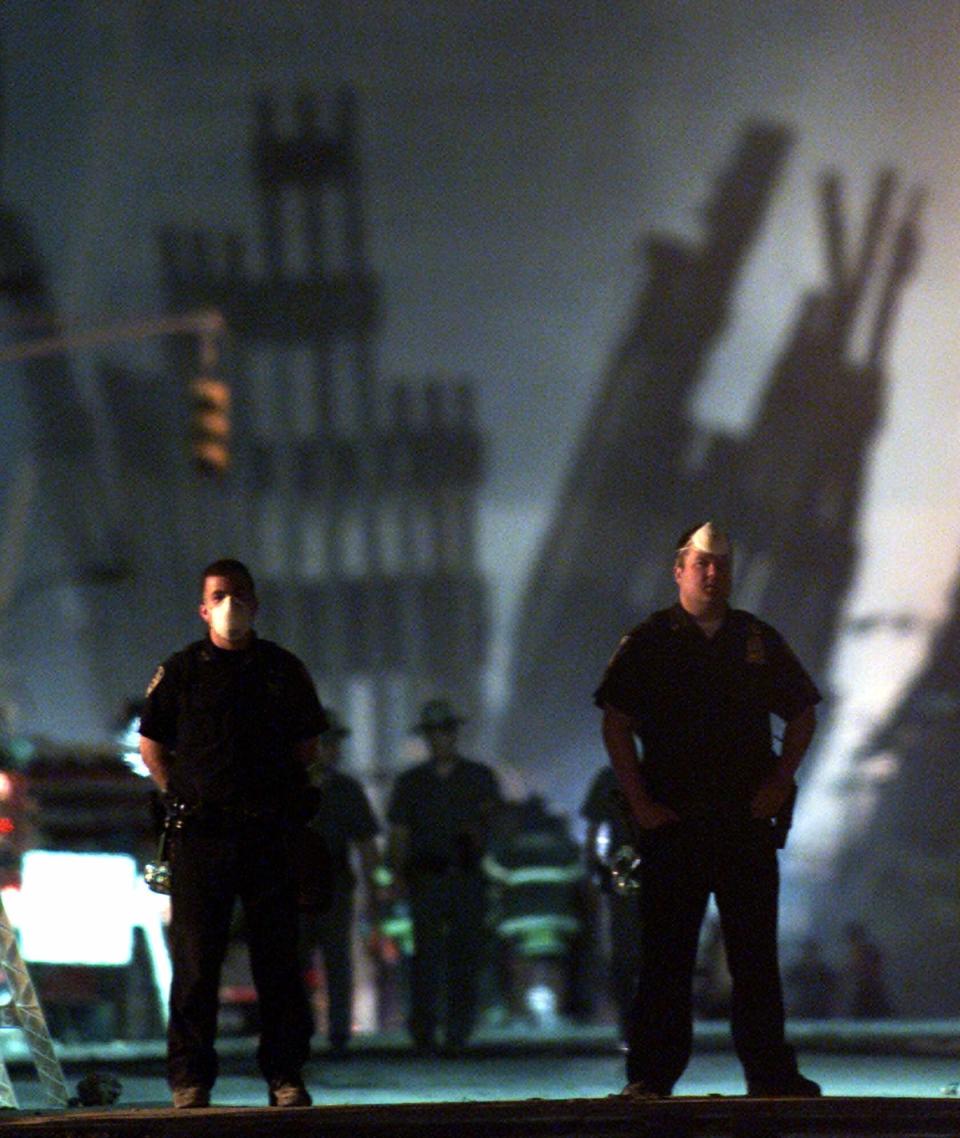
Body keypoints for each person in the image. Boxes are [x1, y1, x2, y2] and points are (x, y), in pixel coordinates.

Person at [595, 522, 822, 1099]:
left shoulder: (757, 639)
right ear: (680, 570)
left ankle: (770, 1074)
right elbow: (615, 723)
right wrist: (642, 804)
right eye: (702, 565)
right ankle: (651, 1075)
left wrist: (779, 781)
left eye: (720, 566)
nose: (713, 574)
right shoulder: (648, 642)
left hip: (743, 821)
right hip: (675, 824)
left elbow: (802, 712)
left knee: (753, 958)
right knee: (666, 958)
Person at [139, 558, 327, 1109]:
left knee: (279, 964)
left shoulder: (283, 670)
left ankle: (285, 1076)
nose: (230, 604)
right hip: (202, 837)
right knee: (196, 965)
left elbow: (307, 746)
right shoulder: (181, 672)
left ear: (256, 602)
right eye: (219, 595)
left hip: (269, 833)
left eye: (239, 593)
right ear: (202, 609)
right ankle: (190, 1080)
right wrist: (182, 794)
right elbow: (152, 744)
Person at [386, 698, 502, 1054]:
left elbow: (494, 823)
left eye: (445, 731)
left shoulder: (479, 777)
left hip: (467, 877)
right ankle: (424, 1029)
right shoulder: (411, 783)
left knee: (465, 956)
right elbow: (400, 833)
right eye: (434, 733)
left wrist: (481, 838)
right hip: (427, 878)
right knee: (426, 958)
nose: (440, 739)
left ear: (454, 735)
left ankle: (458, 1030)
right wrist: (397, 877)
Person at [298, 709, 382, 1058]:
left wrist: (373, 891)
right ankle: (298, 1032)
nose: (332, 750)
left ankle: (338, 1034)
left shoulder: (347, 789)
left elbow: (365, 845)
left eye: (334, 743)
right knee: (294, 962)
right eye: (326, 743)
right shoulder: (287, 784)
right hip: (296, 885)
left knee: (337, 962)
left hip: (334, 884)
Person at [580, 764, 643, 1039]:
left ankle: (634, 1023)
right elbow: (594, 828)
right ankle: (631, 1022)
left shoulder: (613, 775)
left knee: (630, 946)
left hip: (634, 863)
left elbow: (593, 830)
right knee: (628, 947)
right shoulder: (612, 776)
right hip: (631, 865)